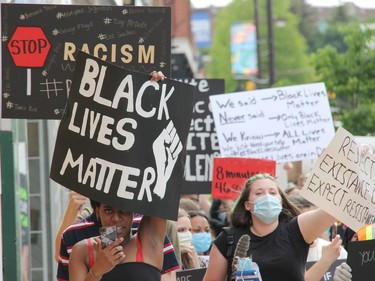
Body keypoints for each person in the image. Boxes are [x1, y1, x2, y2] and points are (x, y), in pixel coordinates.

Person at [203, 173, 338, 281]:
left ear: (280, 200)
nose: (267, 197)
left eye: (272, 192)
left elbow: (336, 208)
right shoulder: (229, 239)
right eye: (259, 193)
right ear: (247, 205)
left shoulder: (298, 229)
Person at [56, 199, 180, 281]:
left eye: (124, 211)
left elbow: (161, 193)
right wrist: (97, 271)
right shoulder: (82, 251)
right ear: (98, 212)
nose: (115, 218)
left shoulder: (149, 241)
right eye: (108, 210)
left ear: (133, 213)